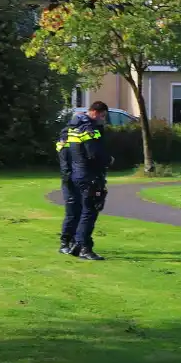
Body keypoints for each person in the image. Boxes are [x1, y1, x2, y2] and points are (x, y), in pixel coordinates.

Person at [58, 100, 111, 260]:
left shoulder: (70, 130)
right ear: (95, 112)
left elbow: (64, 155)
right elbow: (94, 154)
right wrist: (108, 161)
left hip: (72, 175)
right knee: (88, 211)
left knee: (75, 211)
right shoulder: (88, 129)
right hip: (87, 175)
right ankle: (82, 247)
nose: (103, 119)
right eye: (102, 116)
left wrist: (68, 175)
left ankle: (70, 243)